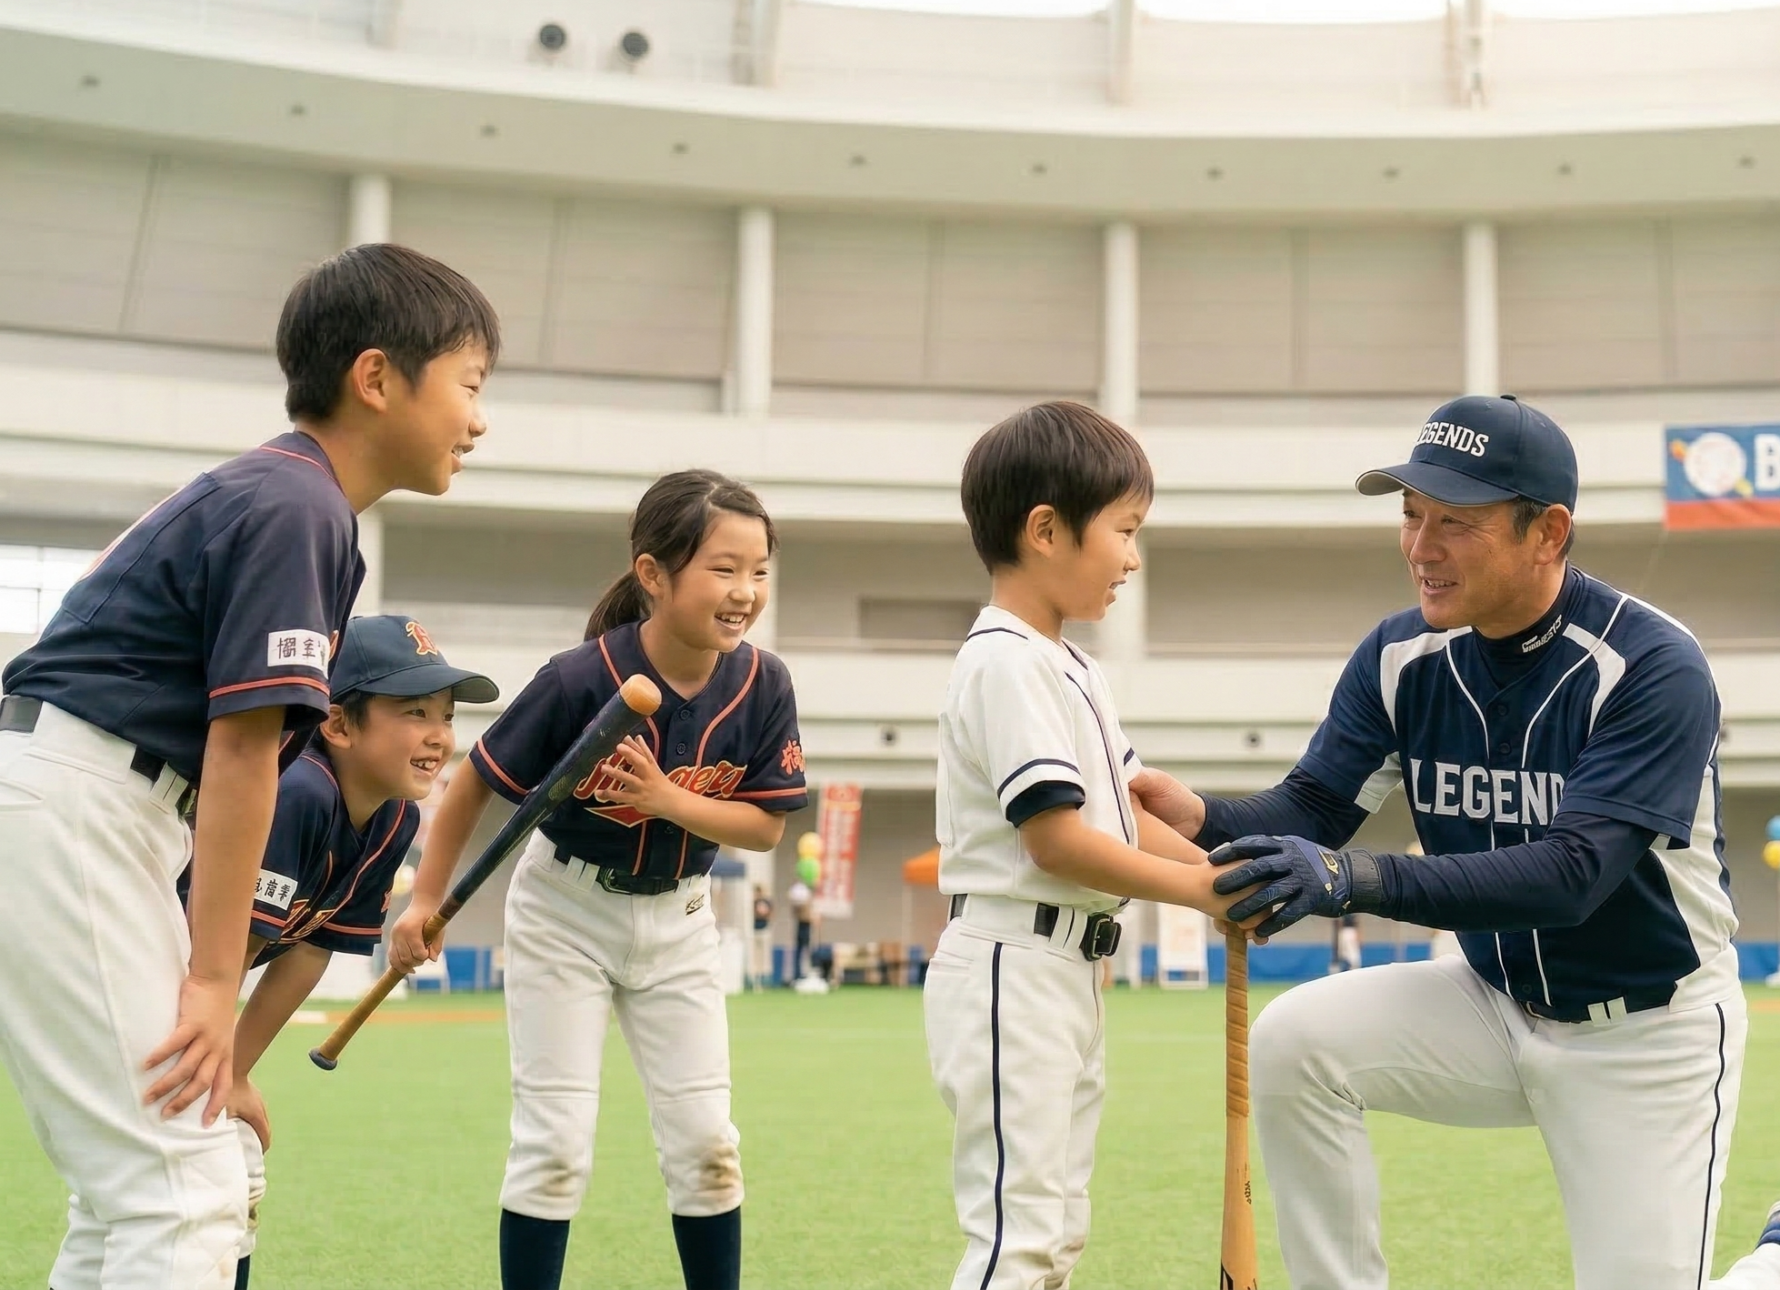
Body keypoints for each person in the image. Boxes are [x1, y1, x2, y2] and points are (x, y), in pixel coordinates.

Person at [1133, 394, 1742, 1290]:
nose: (1421, 548)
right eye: (1412, 515)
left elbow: (1574, 875)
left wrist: (1353, 879)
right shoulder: (1400, 655)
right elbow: (1311, 808)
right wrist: (1204, 818)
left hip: (1646, 1034)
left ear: (1549, 531)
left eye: (1456, 522)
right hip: (1491, 1004)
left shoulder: (1653, 665)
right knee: (1298, 1040)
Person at [0, 243, 497, 1290]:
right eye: (469, 384)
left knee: (139, 1185)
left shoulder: (296, 500)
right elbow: (242, 751)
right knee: (181, 1187)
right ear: (375, 378)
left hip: (92, 797)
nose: (479, 419)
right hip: (86, 796)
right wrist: (216, 985)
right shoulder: (299, 505)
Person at [389, 470, 807, 1290]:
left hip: (683, 920)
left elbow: (764, 825)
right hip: (565, 913)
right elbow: (476, 781)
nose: (745, 591)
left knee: (706, 1146)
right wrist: (426, 899)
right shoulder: (580, 677)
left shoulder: (765, 684)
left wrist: (664, 797)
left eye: (759, 570)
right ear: (653, 574)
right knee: (554, 1146)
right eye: (723, 568)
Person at [924, 401, 1254, 1290]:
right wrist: (1195, 897)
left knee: (1059, 1233)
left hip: (1065, 969)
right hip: (1011, 961)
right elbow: (1057, 843)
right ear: (1045, 530)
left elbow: (1119, 816)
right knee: (1018, 1240)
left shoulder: (1070, 663)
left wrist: (1225, 873)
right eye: (1124, 530)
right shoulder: (1006, 661)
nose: (1134, 558)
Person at [222, 614, 497, 1288]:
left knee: (232, 1168)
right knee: (183, 1185)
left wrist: (234, 1069)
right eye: (414, 711)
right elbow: (224, 953)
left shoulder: (396, 814)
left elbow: (311, 947)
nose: (439, 734)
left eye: (446, 714)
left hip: (183, 1004)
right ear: (339, 726)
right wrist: (216, 1073)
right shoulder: (301, 792)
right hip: (139, 980)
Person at [788, 873, 815, 981]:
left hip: (806, 923)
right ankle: (798, 973)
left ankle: (806, 972)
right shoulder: (799, 895)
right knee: (802, 948)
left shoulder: (805, 894)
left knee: (806, 948)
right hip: (803, 923)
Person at [750, 885, 773, 989]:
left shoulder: (766, 902)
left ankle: (765, 978)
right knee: (755, 956)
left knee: (764, 956)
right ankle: (756, 980)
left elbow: (770, 914)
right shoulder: (753, 903)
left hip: (764, 930)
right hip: (755, 931)